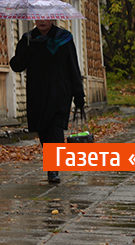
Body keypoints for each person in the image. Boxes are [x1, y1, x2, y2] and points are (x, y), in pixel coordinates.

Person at [9, 19, 85, 183]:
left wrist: (79, 94)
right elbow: (18, 66)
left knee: (55, 130)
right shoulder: (29, 39)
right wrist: (22, 55)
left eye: (46, 17)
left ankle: (53, 169)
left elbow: (73, 66)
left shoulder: (64, 38)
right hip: (38, 95)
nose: (42, 21)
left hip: (60, 94)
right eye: (39, 17)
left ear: (53, 18)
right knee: (43, 133)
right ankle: (53, 163)